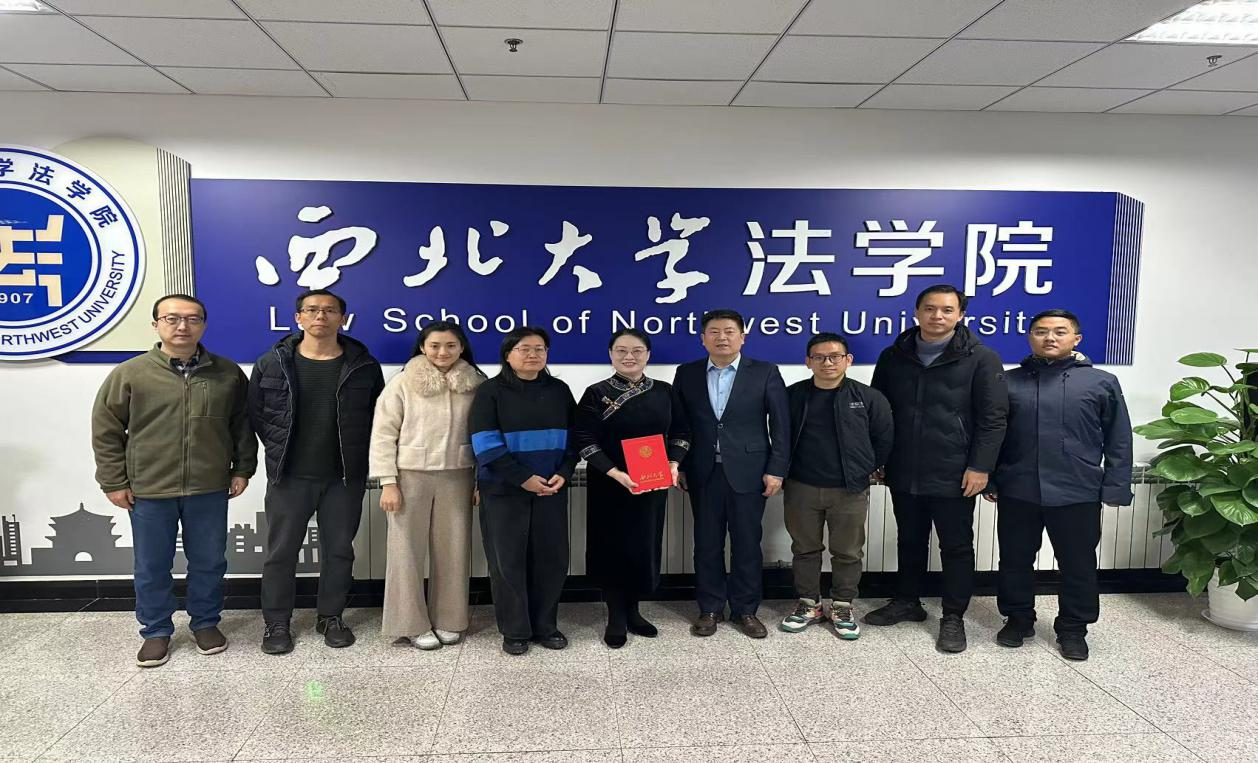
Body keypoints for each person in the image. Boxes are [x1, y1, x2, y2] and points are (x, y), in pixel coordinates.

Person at [91, 294, 257, 668]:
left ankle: (205, 623)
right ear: (156, 325)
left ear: (204, 325)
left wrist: (242, 468)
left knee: (209, 561)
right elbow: (106, 430)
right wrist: (114, 481)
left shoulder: (227, 373)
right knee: (151, 565)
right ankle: (155, 631)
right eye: (172, 318)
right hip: (149, 487)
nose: (182, 326)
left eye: (192, 319)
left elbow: (242, 425)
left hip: (208, 485)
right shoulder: (130, 373)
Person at [867, 285, 1008, 653]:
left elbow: (994, 419)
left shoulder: (982, 358)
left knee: (956, 546)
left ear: (960, 315)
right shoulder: (894, 355)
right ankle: (907, 602)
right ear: (916, 312)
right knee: (909, 539)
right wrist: (878, 458)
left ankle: (953, 615)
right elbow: (879, 412)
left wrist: (981, 467)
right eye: (929, 309)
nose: (937, 316)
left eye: (947, 310)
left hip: (956, 470)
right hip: (904, 467)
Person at [987, 309, 1133, 661]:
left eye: (1059, 331)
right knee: (1015, 559)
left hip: (1077, 489)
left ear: (1076, 339)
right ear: (1029, 337)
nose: (1050, 337)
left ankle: (1073, 628)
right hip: (1018, 488)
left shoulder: (1101, 382)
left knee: (1077, 563)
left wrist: (1116, 485)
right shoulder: (1007, 381)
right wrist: (990, 477)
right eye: (1041, 331)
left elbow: (1118, 438)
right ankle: (1018, 619)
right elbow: (991, 434)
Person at [248, 289, 384, 654]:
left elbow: (377, 418)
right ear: (298, 318)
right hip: (289, 476)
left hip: (344, 477)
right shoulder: (272, 362)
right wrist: (278, 450)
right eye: (311, 310)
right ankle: (277, 622)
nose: (320, 316)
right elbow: (257, 414)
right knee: (281, 553)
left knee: (339, 551)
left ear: (343, 318)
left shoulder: (364, 366)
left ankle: (331, 617)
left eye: (329, 310)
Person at [672, 309, 790, 639]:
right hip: (703, 471)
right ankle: (709, 608)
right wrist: (681, 465)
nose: (721, 337)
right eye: (714, 331)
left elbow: (781, 425)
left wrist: (776, 469)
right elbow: (680, 424)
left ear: (742, 337)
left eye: (729, 331)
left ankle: (745, 610)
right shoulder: (687, 373)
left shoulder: (765, 372)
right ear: (703, 338)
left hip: (750, 472)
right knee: (706, 543)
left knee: (747, 543)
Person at [370, 321, 485, 650]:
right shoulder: (403, 382)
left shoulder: (476, 383)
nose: (442, 352)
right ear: (422, 347)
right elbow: (383, 434)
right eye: (434, 345)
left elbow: (485, 435)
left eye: (450, 345)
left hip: (459, 475)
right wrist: (388, 482)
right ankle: (410, 624)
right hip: (410, 476)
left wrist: (482, 481)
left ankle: (450, 618)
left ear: (462, 347)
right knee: (405, 551)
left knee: (454, 550)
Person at [573, 329, 691, 648]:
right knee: (612, 547)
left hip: (652, 483)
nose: (629, 356)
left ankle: (634, 611)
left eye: (637, 350)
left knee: (644, 545)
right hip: (610, 483)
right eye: (621, 350)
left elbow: (682, 433)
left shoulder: (665, 391)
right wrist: (615, 473)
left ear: (648, 355)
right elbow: (583, 439)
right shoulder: (596, 393)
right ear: (610, 355)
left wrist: (673, 463)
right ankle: (615, 615)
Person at [469, 327, 577, 655]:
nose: (533, 354)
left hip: (551, 489)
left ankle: (546, 626)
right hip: (504, 490)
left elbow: (576, 437)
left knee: (551, 560)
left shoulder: (559, 390)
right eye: (524, 349)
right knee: (508, 562)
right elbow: (484, 443)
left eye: (539, 349)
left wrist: (564, 472)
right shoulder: (490, 392)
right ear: (507, 354)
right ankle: (515, 630)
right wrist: (522, 478)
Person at [780, 333, 893, 640]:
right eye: (819, 357)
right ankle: (809, 604)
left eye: (835, 356)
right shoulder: (793, 396)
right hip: (801, 486)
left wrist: (865, 469)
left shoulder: (868, 397)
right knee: (804, 549)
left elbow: (884, 438)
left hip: (849, 489)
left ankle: (842, 604)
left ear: (848, 360)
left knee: (847, 551)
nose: (827, 362)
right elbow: (778, 436)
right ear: (808, 362)